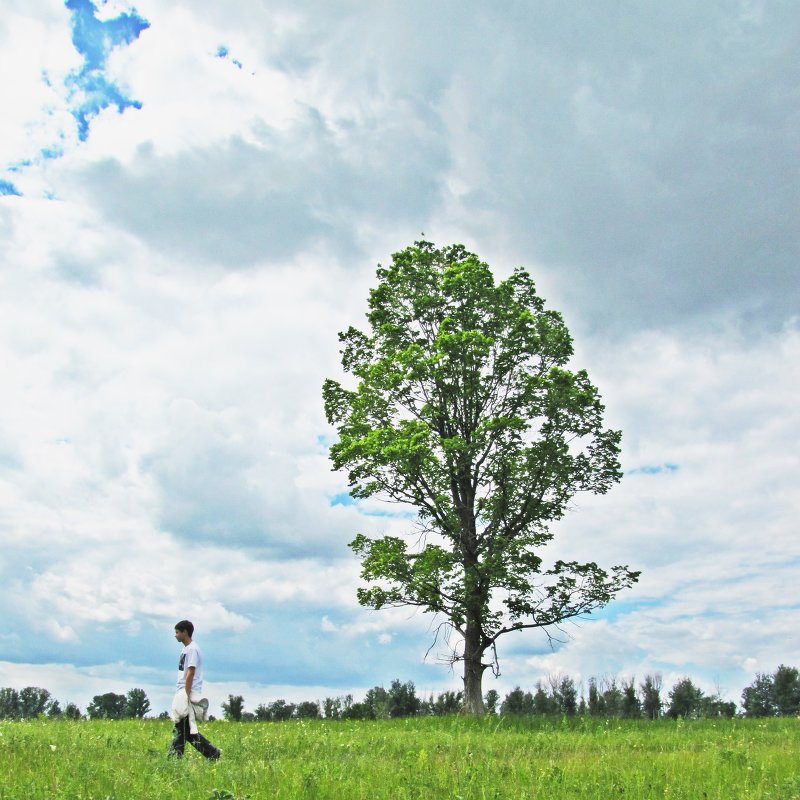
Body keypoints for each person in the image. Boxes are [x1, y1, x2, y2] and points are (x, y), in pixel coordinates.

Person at [168, 620, 221, 759]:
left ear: (185, 632)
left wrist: (186, 694)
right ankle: (211, 753)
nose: (175, 635)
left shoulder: (192, 649)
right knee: (184, 729)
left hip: (187, 692)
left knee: (181, 728)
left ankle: (175, 757)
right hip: (183, 690)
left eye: (177, 632)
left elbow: (191, 672)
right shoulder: (186, 649)